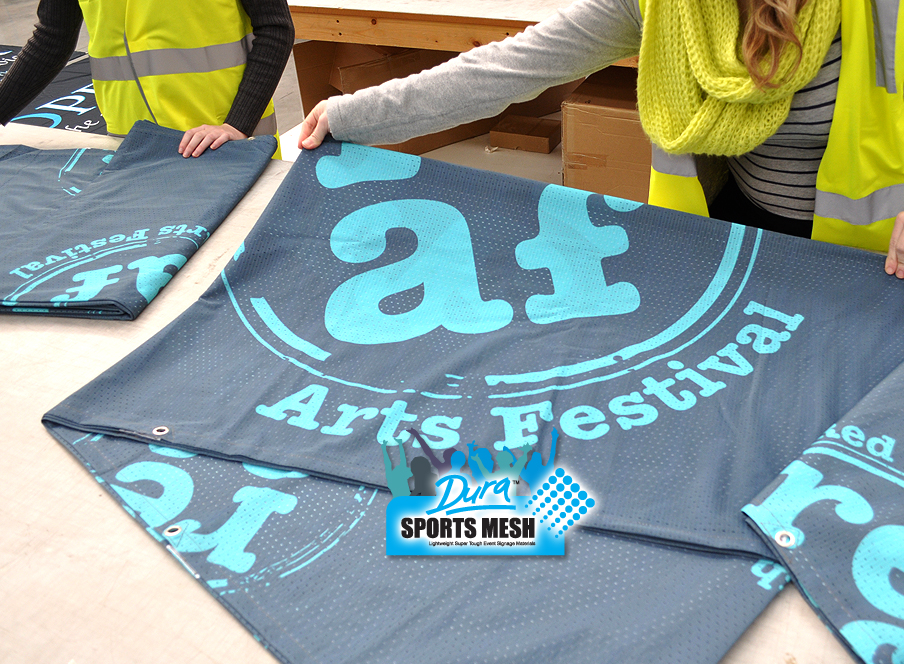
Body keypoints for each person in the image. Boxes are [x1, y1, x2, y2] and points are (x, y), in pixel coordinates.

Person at [298, 0, 904, 277]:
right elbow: (504, 70)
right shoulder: (666, 8)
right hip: (730, 244)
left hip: (873, 262)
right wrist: (352, 115)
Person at [0, 0, 294, 157]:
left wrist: (237, 125)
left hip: (225, 143)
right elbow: (52, 37)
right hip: (131, 144)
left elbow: (275, 27)